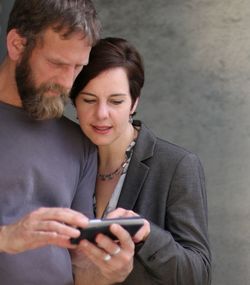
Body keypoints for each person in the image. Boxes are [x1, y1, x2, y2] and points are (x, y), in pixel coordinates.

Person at [70, 37, 212, 285]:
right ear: (74, 101)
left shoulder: (177, 166)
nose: (101, 113)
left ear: (134, 102)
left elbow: (198, 274)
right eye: (89, 100)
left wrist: (147, 234)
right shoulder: (65, 158)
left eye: (116, 101)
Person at [0, 1, 105, 284]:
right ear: (17, 45)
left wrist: (110, 269)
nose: (67, 83)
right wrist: (6, 237)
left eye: (77, 67)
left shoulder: (79, 142)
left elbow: (80, 262)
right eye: (57, 64)